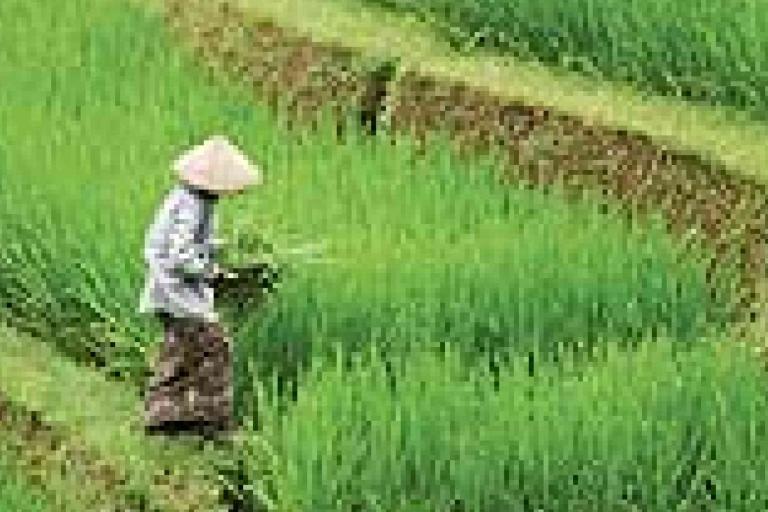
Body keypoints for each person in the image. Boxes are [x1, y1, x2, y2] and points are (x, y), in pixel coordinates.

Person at [138, 135, 261, 439]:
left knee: (181, 350)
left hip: (171, 290)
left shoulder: (193, 198)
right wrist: (211, 272)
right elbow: (180, 254)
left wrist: (224, 248)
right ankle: (212, 420)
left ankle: (163, 414)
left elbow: (193, 241)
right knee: (216, 346)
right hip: (176, 290)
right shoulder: (193, 203)